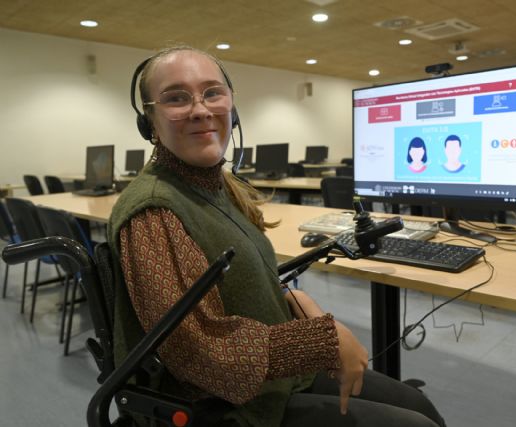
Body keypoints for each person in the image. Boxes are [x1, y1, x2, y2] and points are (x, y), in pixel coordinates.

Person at [107, 45, 446, 427]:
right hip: (224, 406)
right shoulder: (155, 210)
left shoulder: (215, 186)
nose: (200, 109)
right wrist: (322, 341)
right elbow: (195, 352)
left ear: (232, 109)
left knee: (417, 404)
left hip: (269, 377)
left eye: (212, 92)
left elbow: (238, 284)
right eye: (176, 98)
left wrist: (292, 297)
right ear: (149, 122)